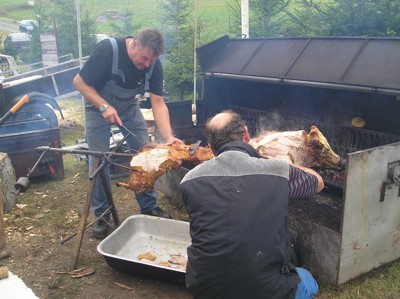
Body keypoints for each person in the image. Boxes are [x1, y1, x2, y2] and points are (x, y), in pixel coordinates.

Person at [180, 110, 324, 299]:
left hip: (204, 289)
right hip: (267, 292)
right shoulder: (277, 171)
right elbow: (318, 183)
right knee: (307, 280)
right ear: (246, 134)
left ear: (211, 148)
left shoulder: (189, 180)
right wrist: (286, 163)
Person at [73, 28, 182, 239]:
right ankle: (102, 215)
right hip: (96, 108)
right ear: (134, 45)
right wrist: (104, 106)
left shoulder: (153, 65)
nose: (147, 64)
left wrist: (169, 137)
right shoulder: (108, 50)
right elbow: (79, 82)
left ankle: (149, 206)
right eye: (144, 58)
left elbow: (158, 103)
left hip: (129, 109)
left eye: (152, 60)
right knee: (99, 161)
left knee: (145, 156)